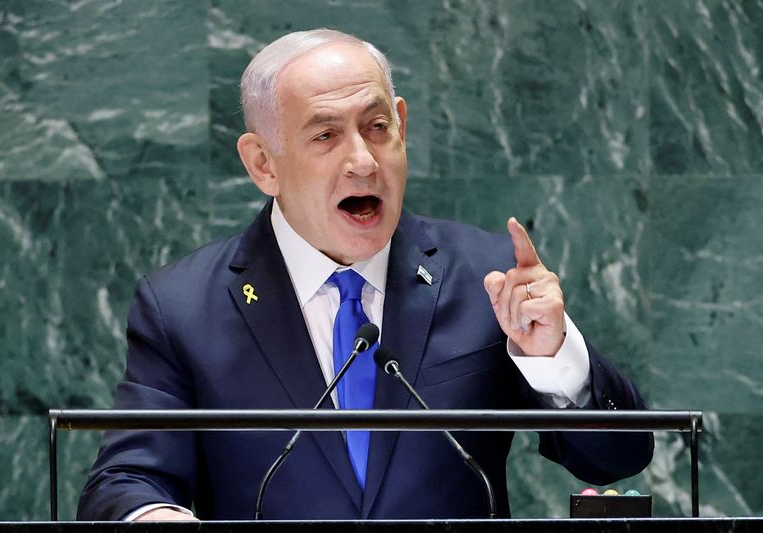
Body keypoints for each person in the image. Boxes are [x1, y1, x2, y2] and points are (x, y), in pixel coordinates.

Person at [77, 28, 653, 522]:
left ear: (401, 125)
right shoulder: (182, 307)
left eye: (377, 126)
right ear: (262, 163)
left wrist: (554, 357)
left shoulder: (487, 278)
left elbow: (618, 459)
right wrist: (155, 516)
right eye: (325, 135)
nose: (363, 160)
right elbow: (126, 479)